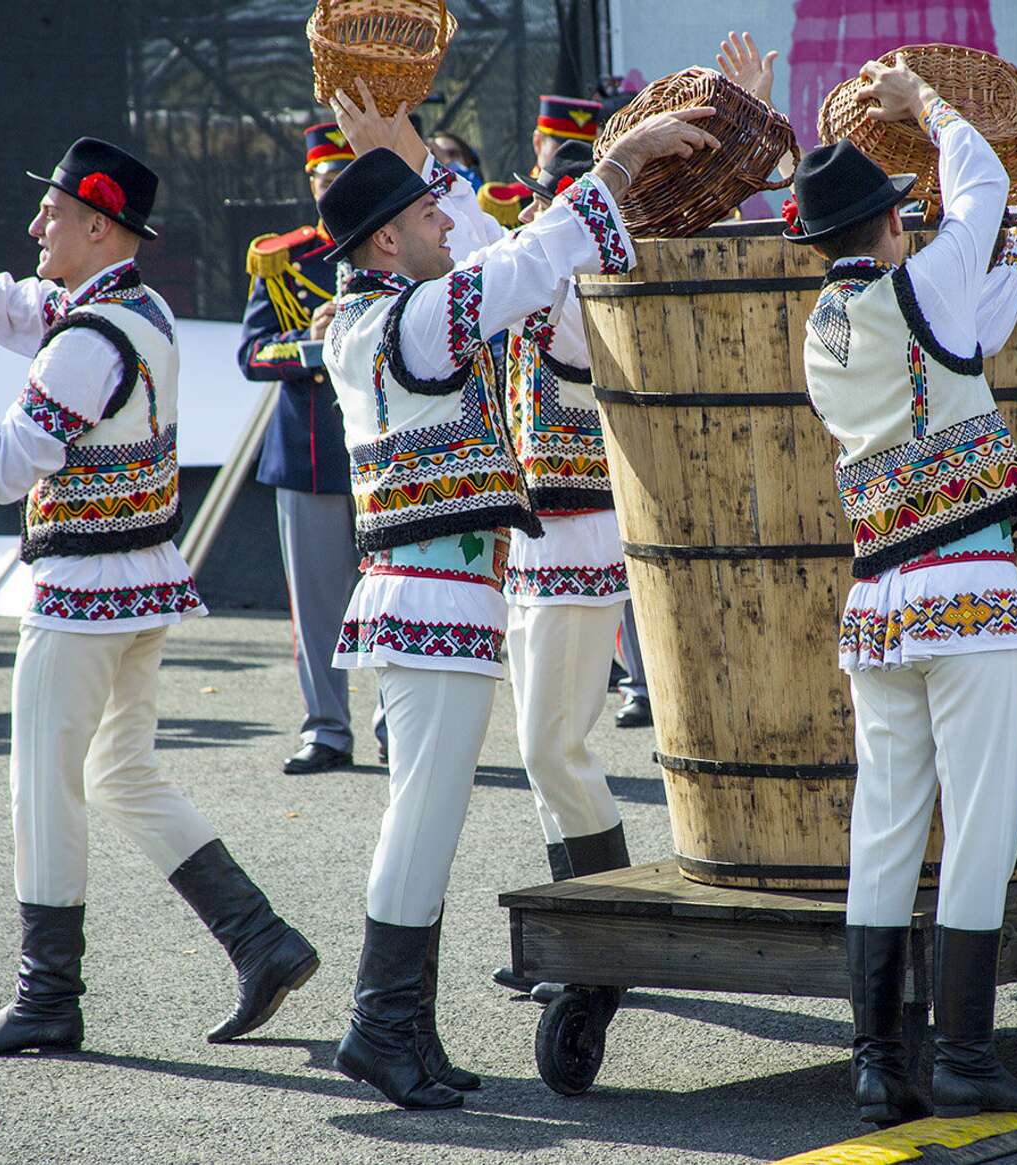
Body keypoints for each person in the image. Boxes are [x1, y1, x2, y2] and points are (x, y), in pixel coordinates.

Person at [0, 137, 319, 1055]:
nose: (36, 224)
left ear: (95, 225)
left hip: (81, 591)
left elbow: (2, 464)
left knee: (41, 785)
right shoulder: (132, 306)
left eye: (52, 211)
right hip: (136, 583)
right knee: (122, 773)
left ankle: (48, 997)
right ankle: (260, 939)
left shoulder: (85, 342)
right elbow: (3, 298)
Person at [314, 80, 719, 1108]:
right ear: (386, 247)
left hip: (428, 598)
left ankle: (409, 1024)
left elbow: (510, 251)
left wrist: (409, 155)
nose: (441, 219)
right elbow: (529, 256)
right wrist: (621, 166)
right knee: (420, 820)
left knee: (429, 816)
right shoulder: (410, 321)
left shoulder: (374, 316)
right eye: (420, 215)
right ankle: (379, 1023)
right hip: (431, 600)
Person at [786, 54, 1017, 1125]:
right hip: (965, 586)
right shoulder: (922, 285)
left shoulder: (822, 332)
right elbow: (978, 191)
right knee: (982, 820)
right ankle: (961, 1052)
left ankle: (875, 1061)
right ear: (891, 226)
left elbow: (978, 330)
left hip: (880, 598)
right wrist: (930, 106)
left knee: (886, 822)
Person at [467, 137, 640, 996]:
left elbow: (500, 260)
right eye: (537, 197)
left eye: (554, 202)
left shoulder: (576, 300)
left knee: (553, 747)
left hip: (580, 543)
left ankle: (609, 935)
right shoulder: (538, 289)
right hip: (536, 546)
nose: (535, 212)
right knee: (542, 752)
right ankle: (572, 935)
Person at [237, 121, 376, 775]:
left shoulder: (392, 244)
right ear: (311, 185)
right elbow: (253, 353)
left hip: (386, 447)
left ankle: (394, 723)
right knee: (318, 605)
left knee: (391, 596)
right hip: (311, 446)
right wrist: (310, 345)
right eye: (326, 180)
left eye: (347, 178)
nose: (334, 191)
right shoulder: (283, 258)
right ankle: (327, 727)